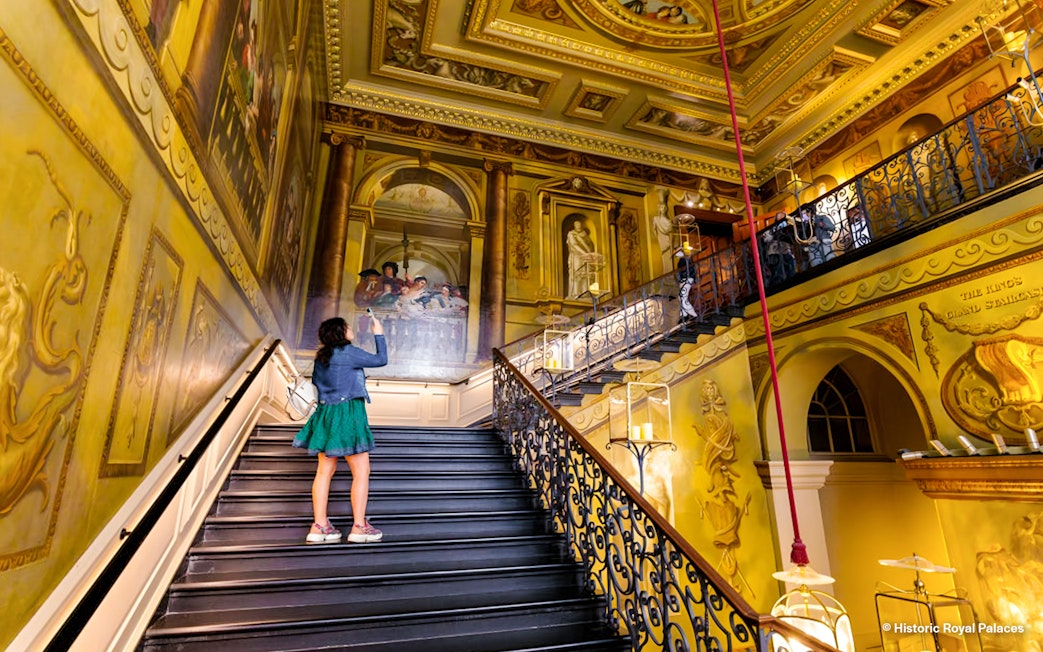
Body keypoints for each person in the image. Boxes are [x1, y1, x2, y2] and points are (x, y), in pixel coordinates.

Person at [292, 316, 388, 544]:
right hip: (348, 414)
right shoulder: (349, 352)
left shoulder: (321, 357)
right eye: (348, 327)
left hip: (326, 414)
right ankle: (359, 527)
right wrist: (379, 333)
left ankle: (319, 526)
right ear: (340, 332)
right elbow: (381, 359)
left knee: (324, 472)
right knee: (362, 472)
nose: (351, 329)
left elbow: (318, 384)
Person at [565, 219, 596, 299]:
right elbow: (574, 245)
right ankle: (576, 293)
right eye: (577, 225)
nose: (579, 226)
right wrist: (585, 253)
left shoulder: (585, 235)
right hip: (576, 257)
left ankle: (585, 292)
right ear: (574, 226)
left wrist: (588, 253)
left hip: (586, 258)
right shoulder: (571, 234)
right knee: (577, 273)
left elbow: (590, 246)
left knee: (585, 274)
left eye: (580, 225)